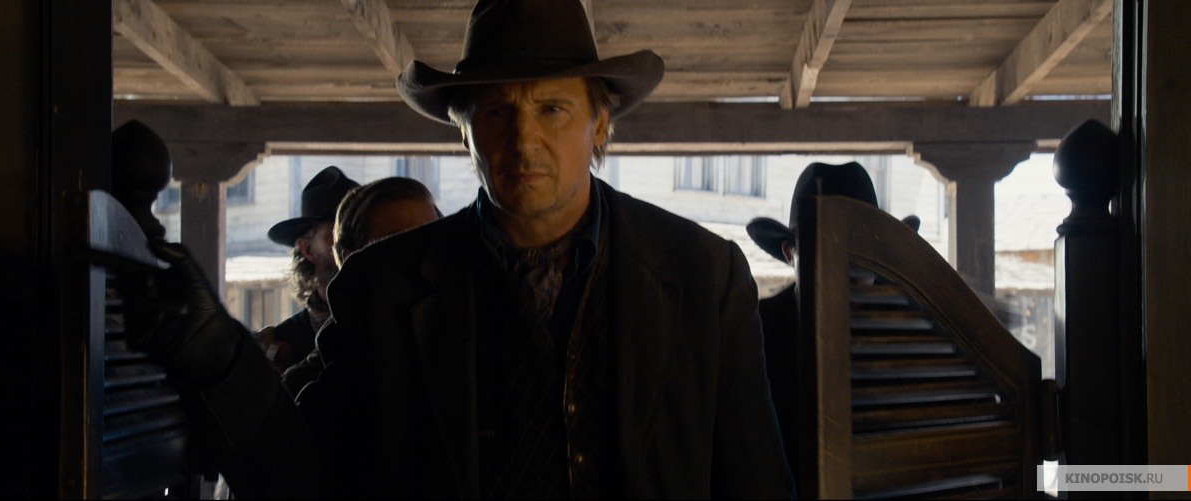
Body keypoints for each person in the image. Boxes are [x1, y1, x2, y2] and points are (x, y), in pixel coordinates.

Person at [113, 0, 793, 498]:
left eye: (552, 108)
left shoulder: (701, 275)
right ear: (462, 130)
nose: (523, 139)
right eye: (496, 111)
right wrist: (220, 356)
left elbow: (756, 484)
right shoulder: (385, 288)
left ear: (599, 121)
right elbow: (303, 478)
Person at [746, 161, 920, 497]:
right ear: (790, 253)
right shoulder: (756, 331)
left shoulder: (910, 334)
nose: (846, 265)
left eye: (860, 250)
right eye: (828, 248)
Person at [280, 176, 443, 398]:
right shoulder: (312, 373)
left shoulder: (470, 337)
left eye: (431, 238)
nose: (420, 257)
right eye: (397, 244)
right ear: (352, 260)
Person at [258, 166, 359, 374]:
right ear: (307, 249)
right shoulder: (279, 345)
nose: (351, 247)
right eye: (336, 235)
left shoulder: (399, 327)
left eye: (359, 232)